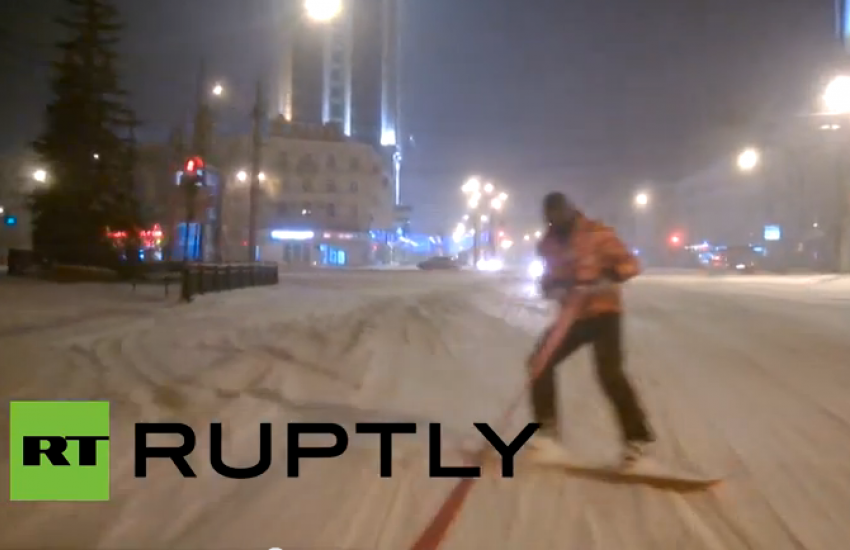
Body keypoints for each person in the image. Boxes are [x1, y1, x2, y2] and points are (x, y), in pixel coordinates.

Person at [525, 191, 655, 467]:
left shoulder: (597, 234)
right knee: (540, 362)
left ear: (570, 210)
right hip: (574, 317)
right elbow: (548, 277)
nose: (555, 219)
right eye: (550, 216)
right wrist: (553, 288)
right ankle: (547, 435)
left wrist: (607, 279)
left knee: (610, 374)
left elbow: (630, 263)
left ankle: (637, 442)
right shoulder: (548, 244)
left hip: (604, 313)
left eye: (560, 213)